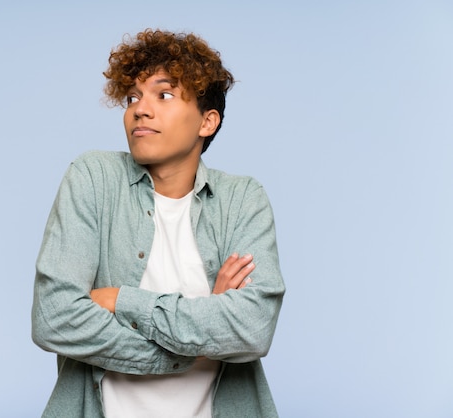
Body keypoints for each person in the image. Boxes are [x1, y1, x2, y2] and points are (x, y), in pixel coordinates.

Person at [32, 28, 286, 418]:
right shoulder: (94, 178)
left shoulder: (242, 200)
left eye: (163, 95)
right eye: (133, 97)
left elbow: (251, 328)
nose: (140, 109)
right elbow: (54, 317)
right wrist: (197, 335)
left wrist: (121, 300)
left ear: (207, 121)